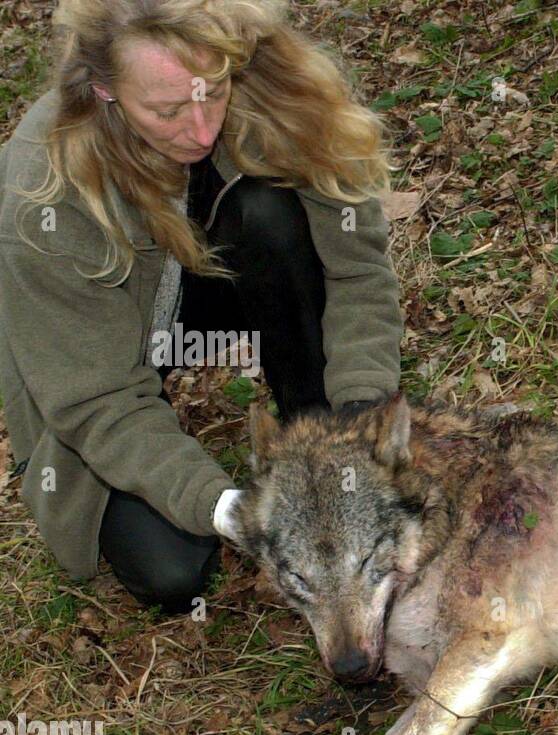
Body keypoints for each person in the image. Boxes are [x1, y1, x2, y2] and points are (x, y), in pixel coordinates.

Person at [0, 0, 404, 613]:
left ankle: (320, 440)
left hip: (208, 281)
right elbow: (95, 399)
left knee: (272, 212)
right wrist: (224, 506)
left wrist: (365, 410)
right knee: (172, 570)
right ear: (104, 90)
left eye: (213, 92)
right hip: (103, 349)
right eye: (165, 111)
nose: (201, 130)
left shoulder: (274, 89)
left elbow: (355, 270)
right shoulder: (41, 194)